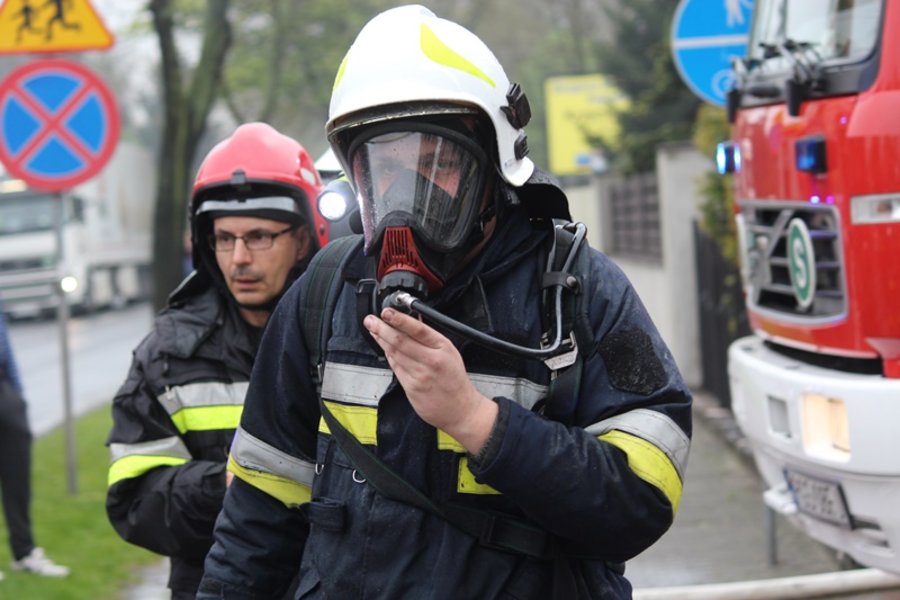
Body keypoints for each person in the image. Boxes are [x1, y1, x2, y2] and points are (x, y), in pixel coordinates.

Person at [199, 6, 693, 599]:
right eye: (386, 168)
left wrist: (475, 420)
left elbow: (640, 503)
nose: (407, 197)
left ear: (494, 166)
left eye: (438, 163)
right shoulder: (325, 293)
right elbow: (258, 517)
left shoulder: (578, 292)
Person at [105, 123, 331, 599]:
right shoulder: (168, 354)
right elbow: (132, 501)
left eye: (260, 237)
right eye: (224, 239)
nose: (239, 259)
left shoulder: (348, 335)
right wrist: (227, 485)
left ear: (306, 238)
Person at [0, 303, 70, 580]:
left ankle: (24, 552)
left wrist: (18, 397)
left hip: (6, 393)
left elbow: (6, 349)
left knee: (18, 481)